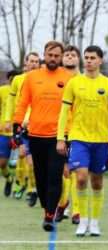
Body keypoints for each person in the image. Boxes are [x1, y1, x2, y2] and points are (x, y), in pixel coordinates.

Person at [57, 45, 108, 237]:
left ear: (100, 60)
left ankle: (94, 223)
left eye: (93, 57)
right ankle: (82, 220)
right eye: (87, 57)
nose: (89, 60)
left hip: (101, 140)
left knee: (97, 182)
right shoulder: (74, 83)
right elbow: (63, 113)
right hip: (78, 138)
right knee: (81, 177)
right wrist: (61, 138)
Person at [13, 41, 73, 231]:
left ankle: (49, 215)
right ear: (44, 55)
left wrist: (69, 134)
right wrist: (16, 126)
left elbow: (74, 108)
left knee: (55, 176)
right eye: (50, 55)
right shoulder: (31, 77)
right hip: (35, 134)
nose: (53, 58)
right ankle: (47, 208)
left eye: (56, 55)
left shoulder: (69, 78)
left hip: (59, 137)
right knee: (40, 178)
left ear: (61, 57)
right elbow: (22, 103)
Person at [5, 52, 40, 204]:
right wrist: (8, 119)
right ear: (25, 63)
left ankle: (33, 187)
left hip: (38, 123)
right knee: (22, 155)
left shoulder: (42, 79)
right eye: (31, 61)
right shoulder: (18, 80)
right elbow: (11, 102)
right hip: (21, 124)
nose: (33, 64)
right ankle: (24, 185)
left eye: (36, 61)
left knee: (34, 160)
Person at [55, 45, 81, 225]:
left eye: (73, 55)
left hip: (78, 131)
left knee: (74, 171)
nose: (70, 58)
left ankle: (76, 211)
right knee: (63, 172)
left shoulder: (84, 80)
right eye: (67, 55)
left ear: (78, 58)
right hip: (57, 130)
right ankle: (63, 202)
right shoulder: (55, 79)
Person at [0, 70, 20, 197]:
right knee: (2, 163)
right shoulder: (2, 91)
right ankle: (8, 178)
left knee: (17, 163)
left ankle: (19, 186)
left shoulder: (24, 91)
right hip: (3, 132)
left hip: (19, 132)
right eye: (11, 79)